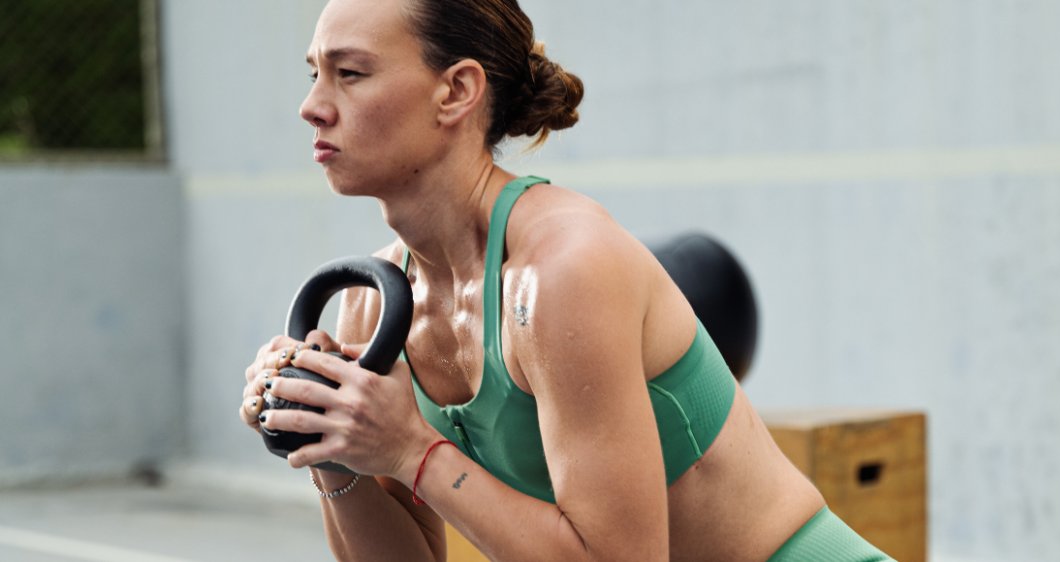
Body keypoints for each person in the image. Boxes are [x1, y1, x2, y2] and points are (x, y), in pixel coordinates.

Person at [238, 0, 892, 560]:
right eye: (314, 75)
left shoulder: (560, 270)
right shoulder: (369, 310)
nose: (312, 107)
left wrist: (412, 448)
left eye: (349, 74)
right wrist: (327, 438)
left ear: (457, 91)